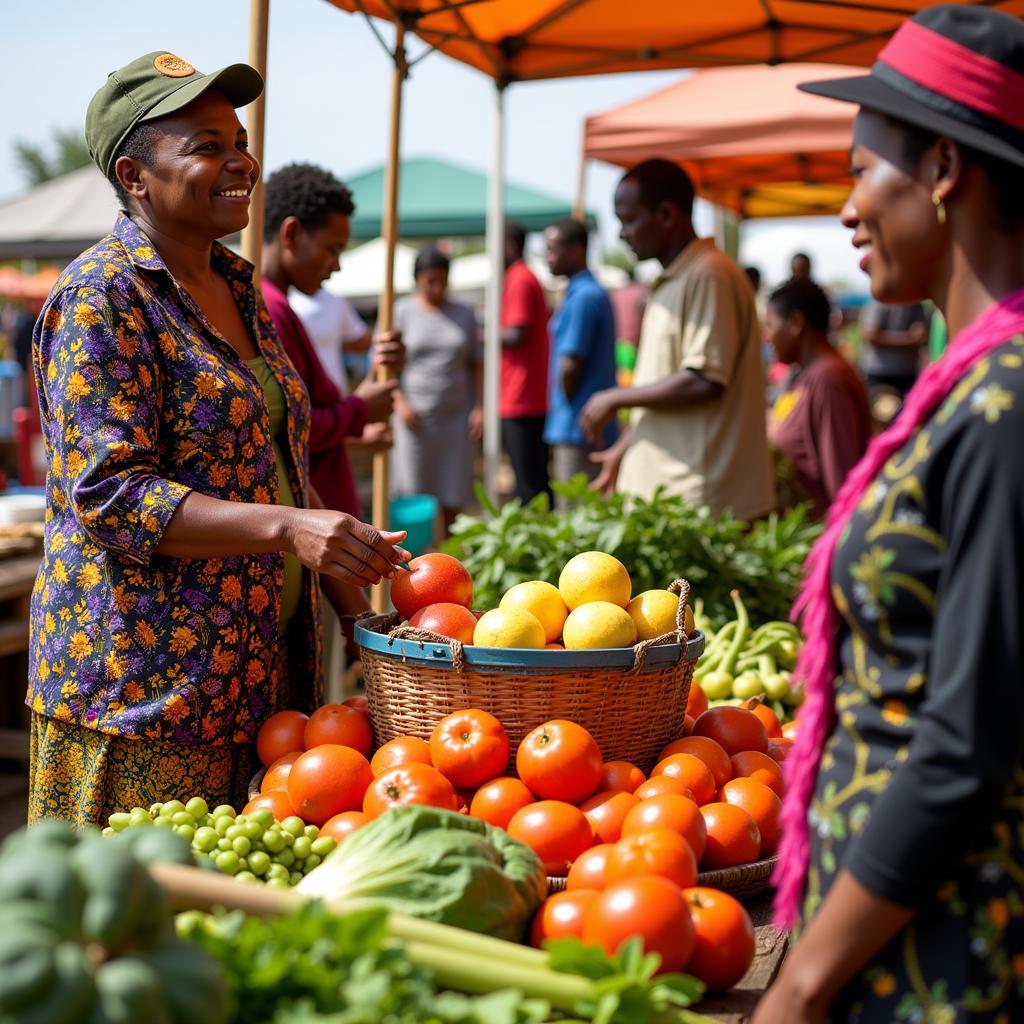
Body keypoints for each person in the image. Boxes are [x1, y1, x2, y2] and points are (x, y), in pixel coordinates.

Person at [26, 52, 409, 827]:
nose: (241, 160)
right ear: (134, 176)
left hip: (261, 679)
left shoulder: (238, 286)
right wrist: (288, 527)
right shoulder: (102, 297)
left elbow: (273, 460)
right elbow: (111, 496)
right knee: (137, 925)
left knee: (235, 929)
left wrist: (352, 608)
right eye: (207, 145)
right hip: (146, 691)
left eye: (239, 139)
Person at [752, 7, 1024, 1022]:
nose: (847, 209)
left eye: (864, 169)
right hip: (890, 923)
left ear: (945, 170)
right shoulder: (968, 386)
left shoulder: (1006, 404)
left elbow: (964, 739)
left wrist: (803, 981)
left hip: (942, 957)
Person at [580, 159, 774, 522]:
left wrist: (616, 396)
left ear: (667, 215)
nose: (623, 234)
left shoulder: (709, 274)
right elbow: (662, 386)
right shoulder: (675, 278)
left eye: (629, 219)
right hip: (672, 499)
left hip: (701, 501)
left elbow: (706, 379)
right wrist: (626, 448)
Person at [261, 162, 402, 519]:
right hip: (308, 515)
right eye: (331, 249)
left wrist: (378, 374)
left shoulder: (281, 305)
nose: (336, 265)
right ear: (291, 234)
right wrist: (359, 410)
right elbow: (285, 428)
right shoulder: (269, 310)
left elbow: (311, 415)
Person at [392, 245, 482, 535]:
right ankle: (417, 562)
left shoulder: (464, 313)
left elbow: (476, 364)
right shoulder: (402, 312)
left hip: (456, 418)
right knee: (414, 494)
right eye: (430, 280)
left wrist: (479, 407)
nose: (437, 287)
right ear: (418, 280)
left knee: (453, 491)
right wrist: (399, 401)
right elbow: (384, 365)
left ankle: (450, 560)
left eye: (442, 280)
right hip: (415, 419)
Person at [764, 278, 872, 519]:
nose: (766, 337)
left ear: (795, 323)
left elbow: (842, 481)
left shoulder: (828, 380)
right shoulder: (803, 374)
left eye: (770, 325)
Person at [542, 217, 618, 499]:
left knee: (575, 514)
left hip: (579, 428)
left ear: (575, 250)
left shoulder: (584, 298)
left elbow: (571, 365)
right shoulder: (584, 292)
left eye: (552, 249)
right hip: (583, 424)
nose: (547, 257)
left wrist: (569, 407)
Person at [500, 220, 551, 504]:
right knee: (531, 480)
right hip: (524, 394)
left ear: (509, 244)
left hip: (521, 396)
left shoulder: (519, 278)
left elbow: (517, 333)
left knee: (530, 486)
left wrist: (484, 334)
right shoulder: (522, 276)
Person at [289, 287, 371, 392]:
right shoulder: (285, 300)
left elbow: (362, 341)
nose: (336, 269)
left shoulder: (334, 300)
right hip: (302, 394)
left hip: (334, 391)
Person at [859, 298, 930, 402]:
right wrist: (909, 339)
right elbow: (871, 336)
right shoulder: (879, 302)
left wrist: (885, 338)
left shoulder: (915, 304)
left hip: (907, 372)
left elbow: (921, 335)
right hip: (879, 372)